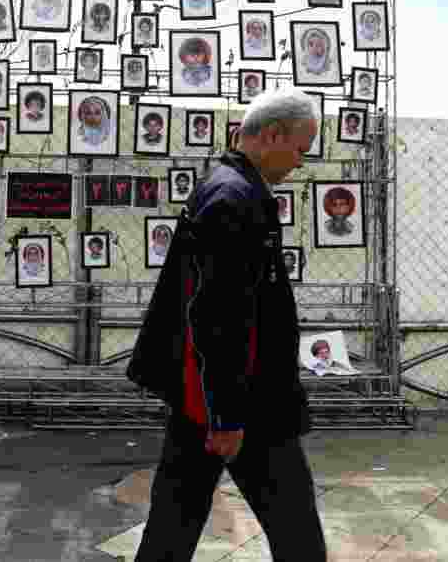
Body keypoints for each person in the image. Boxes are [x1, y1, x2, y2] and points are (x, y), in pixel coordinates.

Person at [126, 89, 326, 562]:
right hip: (241, 405)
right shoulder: (233, 198)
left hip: (217, 398)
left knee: (174, 524)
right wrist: (225, 416)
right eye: (300, 148)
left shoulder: (234, 189)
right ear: (272, 135)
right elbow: (216, 318)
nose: (300, 162)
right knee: (295, 528)